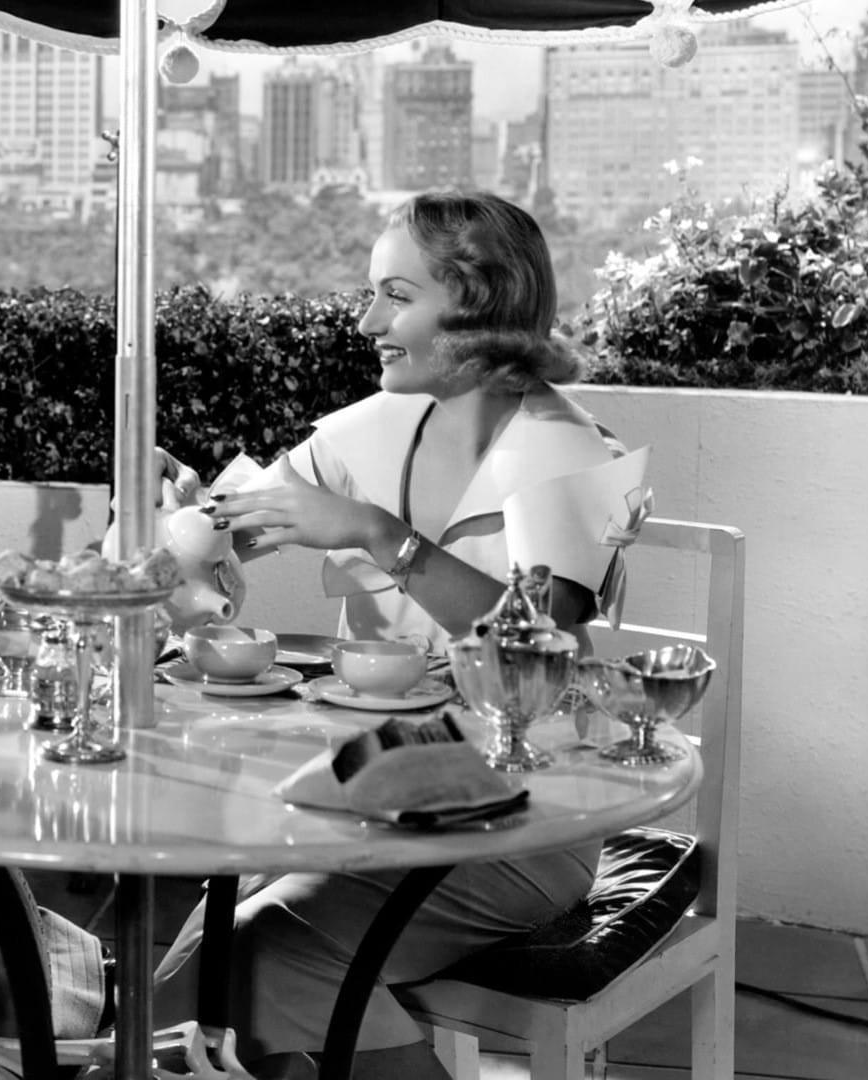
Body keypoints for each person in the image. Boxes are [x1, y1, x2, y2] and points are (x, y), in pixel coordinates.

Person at [149, 190, 634, 1079]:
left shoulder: (573, 456)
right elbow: (231, 523)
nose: (365, 318)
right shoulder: (373, 426)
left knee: (257, 955)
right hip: (366, 789)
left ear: (478, 304)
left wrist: (380, 534)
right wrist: (189, 512)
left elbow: (534, 649)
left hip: (522, 811)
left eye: (396, 296)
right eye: (371, 292)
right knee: (186, 974)